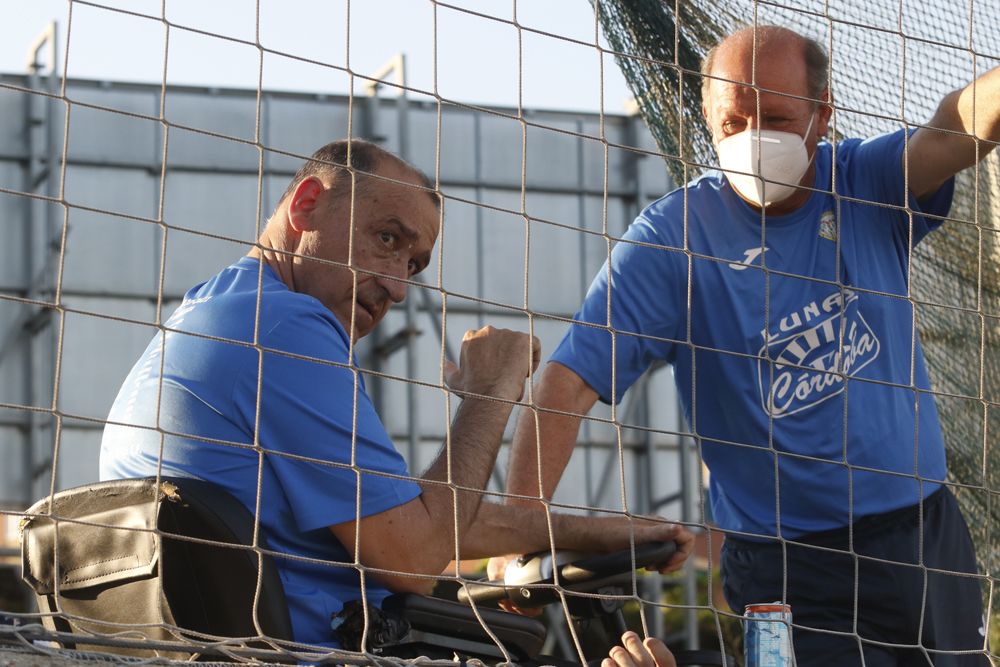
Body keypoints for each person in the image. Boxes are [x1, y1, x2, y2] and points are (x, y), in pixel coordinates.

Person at [496, 24, 1000, 667]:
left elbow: (953, 129)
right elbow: (565, 383)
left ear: (823, 115)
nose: (754, 138)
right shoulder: (672, 240)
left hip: (925, 537)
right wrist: (519, 527)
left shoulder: (867, 180)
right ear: (707, 118)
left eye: (778, 116)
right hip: (786, 571)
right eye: (734, 121)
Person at [98, 139, 692, 649]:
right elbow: (413, 557)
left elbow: (401, 526)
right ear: (306, 205)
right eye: (387, 239)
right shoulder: (285, 329)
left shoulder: (215, 312)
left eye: (414, 264)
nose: (398, 287)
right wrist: (490, 393)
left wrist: (596, 535)